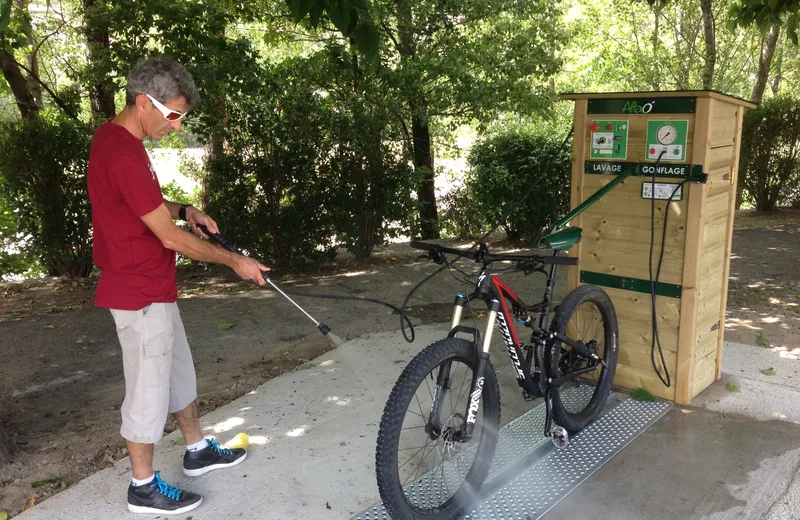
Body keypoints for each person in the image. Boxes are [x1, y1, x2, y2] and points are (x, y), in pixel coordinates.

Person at [87, 57, 269, 515]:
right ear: (144, 103)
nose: (177, 126)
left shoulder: (120, 138)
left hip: (155, 287)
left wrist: (186, 208)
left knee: (178, 374)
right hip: (137, 292)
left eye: (182, 117)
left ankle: (197, 450)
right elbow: (167, 238)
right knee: (146, 391)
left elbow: (147, 205)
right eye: (173, 115)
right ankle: (143, 487)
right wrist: (235, 261)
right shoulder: (121, 152)